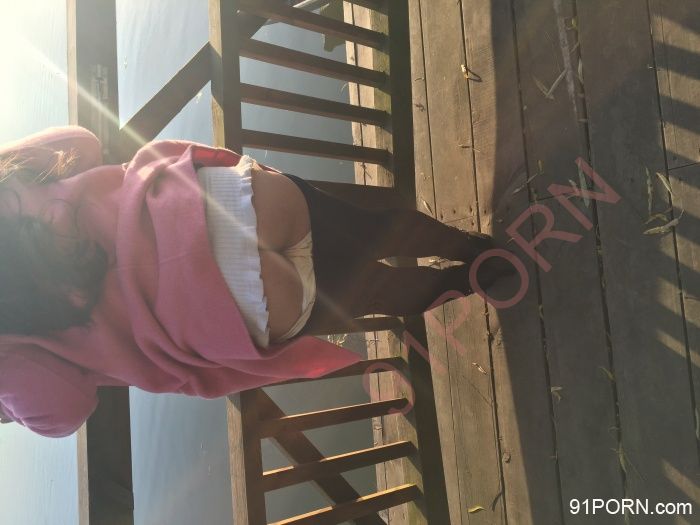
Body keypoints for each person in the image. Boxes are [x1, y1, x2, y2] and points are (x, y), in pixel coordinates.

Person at [0, 126, 511, 437]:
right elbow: (80, 143)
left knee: (375, 293)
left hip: (229, 307)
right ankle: (471, 246)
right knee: (376, 231)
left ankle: (476, 280)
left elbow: (62, 408)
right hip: (218, 203)